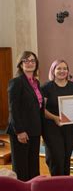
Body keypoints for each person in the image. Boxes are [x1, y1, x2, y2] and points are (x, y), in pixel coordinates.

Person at [7, 51, 44, 181]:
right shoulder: (16, 82)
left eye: (32, 61)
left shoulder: (36, 83)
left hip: (34, 130)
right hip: (21, 131)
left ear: (36, 64)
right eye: (26, 61)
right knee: (21, 167)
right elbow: (13, 109)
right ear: (20, 64)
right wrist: (20, 131)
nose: (29, 63)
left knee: (33, 166)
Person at [42, 59, 73, 176]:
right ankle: (56, 185)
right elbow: (41, 109)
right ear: (53, 71)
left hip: (70, 127)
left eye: (65, 68)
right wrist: (55, 117)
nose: (62, 71)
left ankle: (65, 183)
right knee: (56, 157)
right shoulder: (46, 87)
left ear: (68, 71)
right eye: (58, 68)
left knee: (66, 156)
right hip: (51, 127)